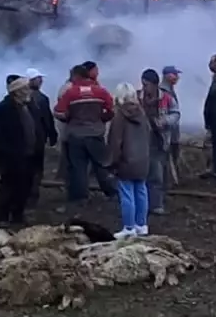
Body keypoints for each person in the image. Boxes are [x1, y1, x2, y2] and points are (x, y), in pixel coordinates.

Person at [54, 64, 116, 203]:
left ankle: (80, 197)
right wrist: (102, 119)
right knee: (101, 165)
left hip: (76, 135)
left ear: (77, 76)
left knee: (78, 167)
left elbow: (58, 112)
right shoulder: (100, 91)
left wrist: (69, 119)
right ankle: (111, 192)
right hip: (96, 134)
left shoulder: (71, 92)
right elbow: (111, 110)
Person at [0, 76, 42, 227]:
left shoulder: (30, 106)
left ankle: (18, 215)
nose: (29, 91)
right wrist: (9, 152)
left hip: (30, 155)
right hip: (11, 158)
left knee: (25, 187)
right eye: (26, 89)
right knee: (8, 187)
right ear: (17, 92)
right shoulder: (2, 109)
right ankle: (2, 218)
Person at [106, 83, 151, 239]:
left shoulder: (119, 117)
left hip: (126, 161)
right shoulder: (142, 113)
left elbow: (115, 142)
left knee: (127, 194)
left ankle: (129, 227)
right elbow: (148, 135)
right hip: (142, 160)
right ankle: (142, 225)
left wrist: (113, 163)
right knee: (141, 191)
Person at [139, 69, 173, 215]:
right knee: (140, 175)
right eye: (143, 84)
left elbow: (176, 113)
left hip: (158, 141)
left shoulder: (166, 98)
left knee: (157, 174)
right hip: (139, 142)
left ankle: (156, 204)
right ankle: (141, 204)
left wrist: (165, 121)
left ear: (155, 84)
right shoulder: (136, 97)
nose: (144, 87)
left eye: (147, 84)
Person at [24, 68, 58, 205]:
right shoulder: (41, 99)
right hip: (37, 139)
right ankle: (32, 193)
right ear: (31, 80)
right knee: (36, 167)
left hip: (25, 140)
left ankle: (26, 193)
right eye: (38, 78)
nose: (41, 81)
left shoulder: (21, 97)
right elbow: (47, 119)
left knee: (27, 167)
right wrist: (52, 135)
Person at [159, 66, 182, 186]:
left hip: (173, 131)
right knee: (165, 157)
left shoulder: (170, 90)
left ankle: (173, 180)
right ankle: (167, 181)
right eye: (175, 74)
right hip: (167, 131)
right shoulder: (162, 92)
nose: (177, 77)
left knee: (173, 156)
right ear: (168, 75)